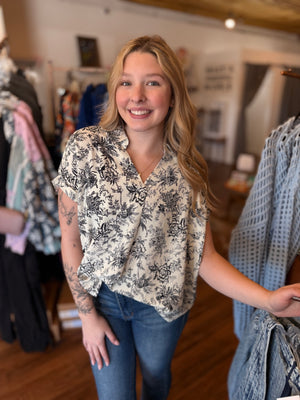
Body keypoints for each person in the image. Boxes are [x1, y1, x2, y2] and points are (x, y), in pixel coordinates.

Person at [52, 35, 300, 400]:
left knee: (156, 382)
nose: (136, 96)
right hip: (103, 297)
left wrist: (267, 300)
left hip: (162, 307)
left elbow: (205, 257)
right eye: (126, 82)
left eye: (152, 82)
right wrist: (87, 316)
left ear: (172, 94)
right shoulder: (85, 148)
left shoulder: (188, 168)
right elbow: (70, 240)